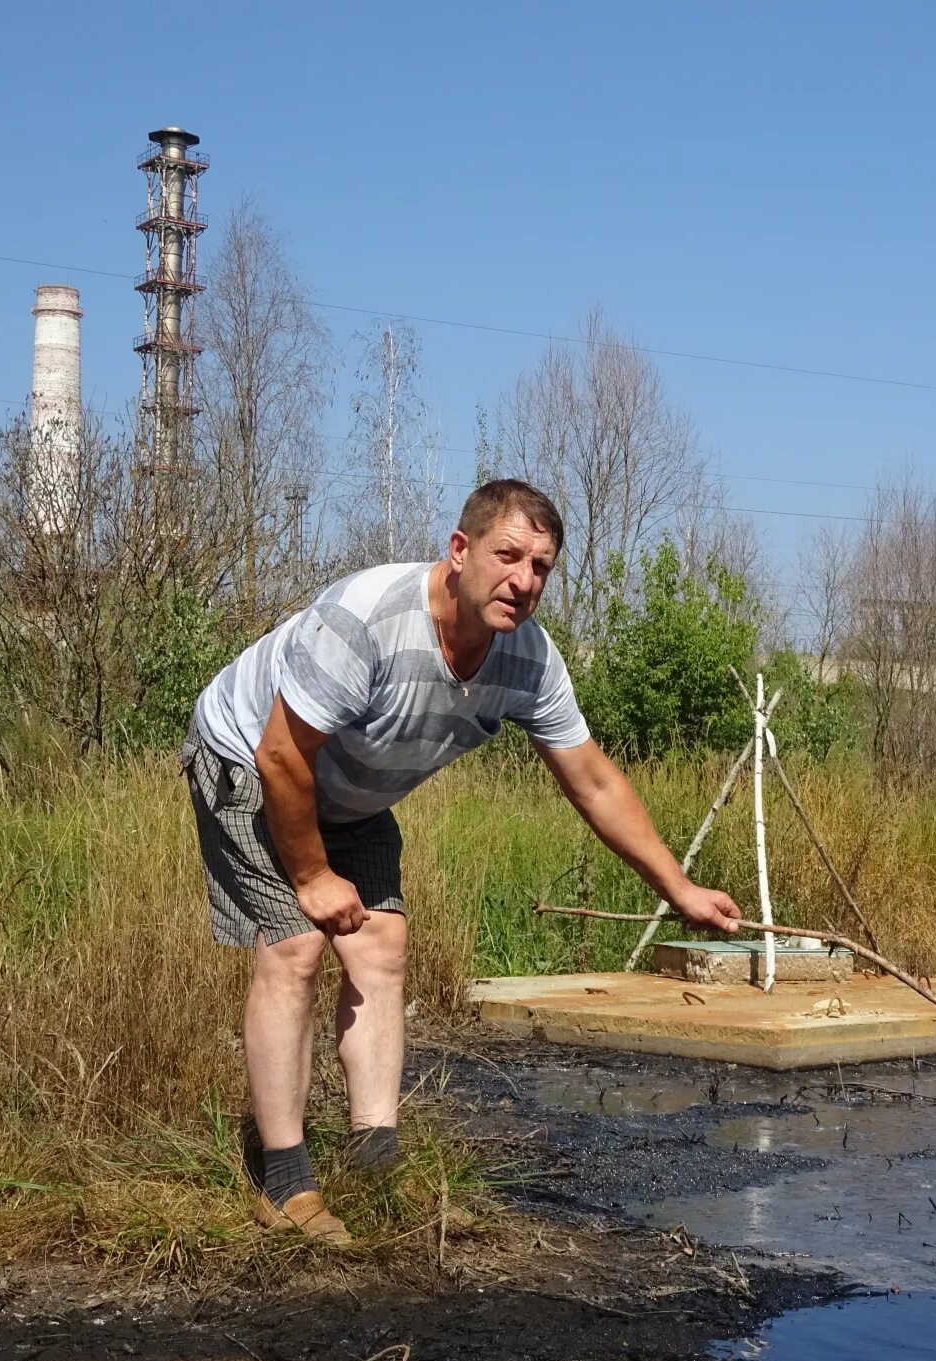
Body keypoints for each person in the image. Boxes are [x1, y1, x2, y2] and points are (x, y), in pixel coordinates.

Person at [182, 479, 741, 1240]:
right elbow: (281, 754)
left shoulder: (528, 659)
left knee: (381, 944)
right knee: (296, 944)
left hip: (349, 791)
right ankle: (285, 1188)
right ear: (460, 551)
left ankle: (375, 1168)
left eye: (540, 567)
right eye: (508, 556)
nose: (523, 580)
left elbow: (594, 779)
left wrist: (679, 888)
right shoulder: (370, 621)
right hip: (248, 758)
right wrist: (312, 877)